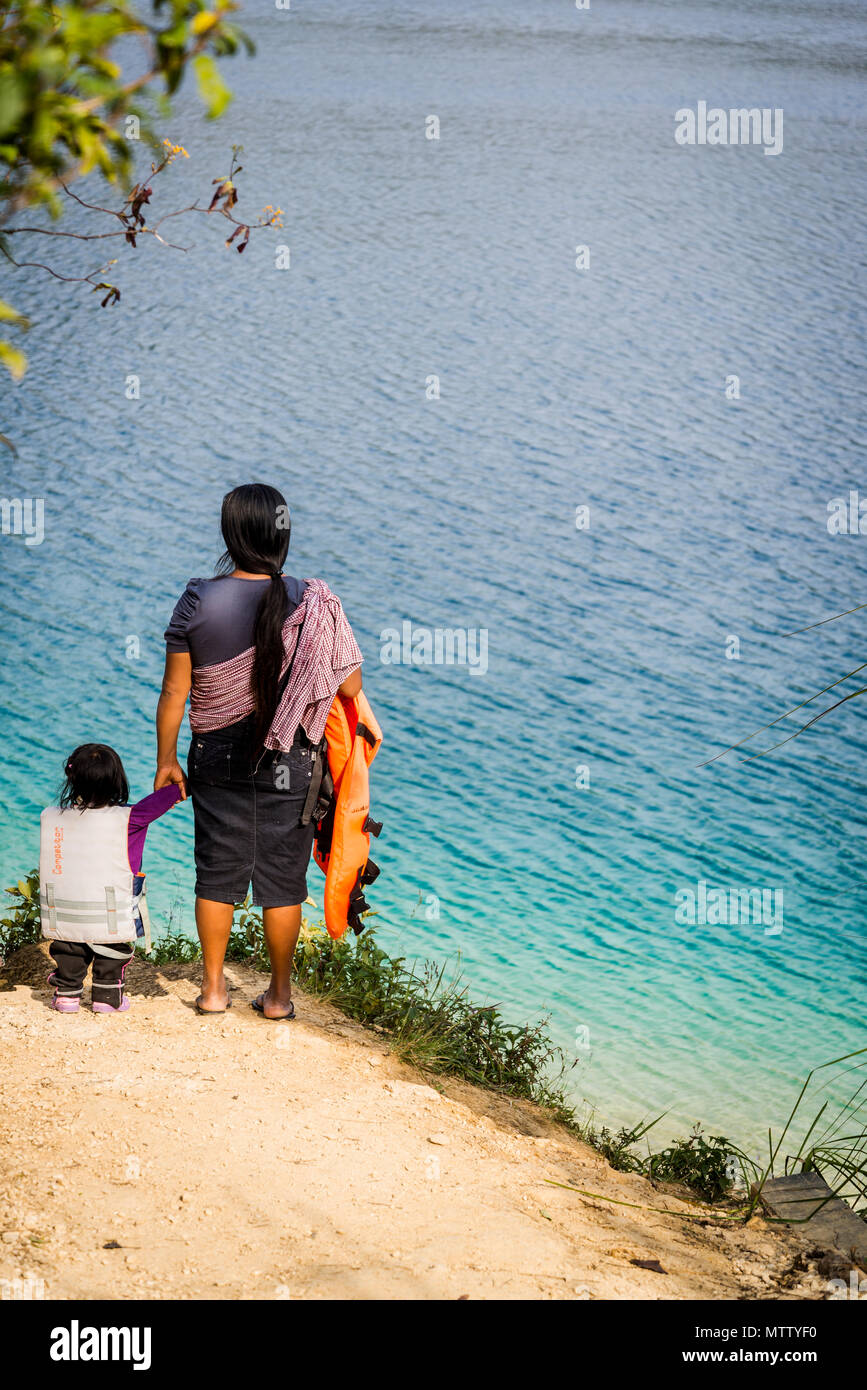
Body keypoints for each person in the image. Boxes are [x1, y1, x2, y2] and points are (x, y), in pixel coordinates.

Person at [156, 482, 363, 1018]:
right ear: (283, 535)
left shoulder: (198, 598)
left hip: (214, 757)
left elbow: (176, 692)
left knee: (216, 875)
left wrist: (165, 759)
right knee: (282, 883)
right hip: (291, 759)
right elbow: (349, 686)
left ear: (231, 534)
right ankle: (279, 997)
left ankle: (213, 991)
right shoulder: (315, 601)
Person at [40, 743, 183, 1013]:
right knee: (111, 951)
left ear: (71, 778)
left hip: (66, 919)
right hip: (110, 916)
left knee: (69, 949)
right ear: (118, 780)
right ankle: (106, 999)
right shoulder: (131, 818)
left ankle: (67, 996)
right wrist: (174, 775)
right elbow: (172, 794)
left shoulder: (52, 817)